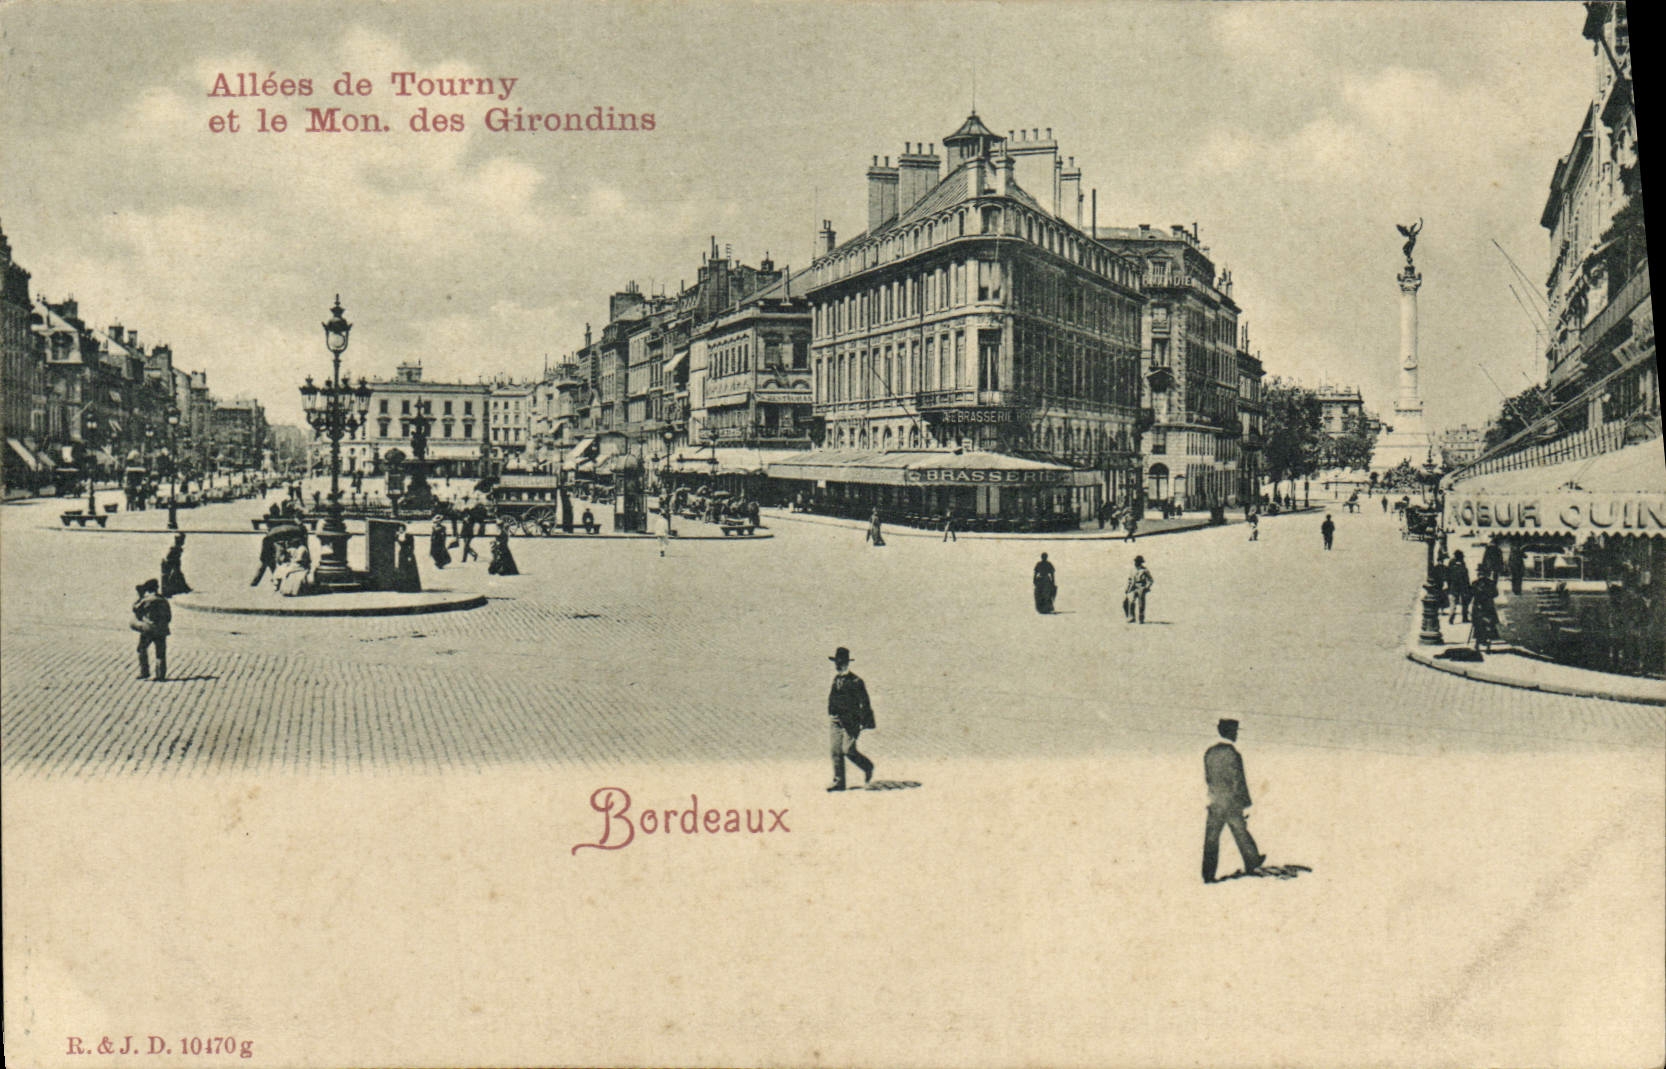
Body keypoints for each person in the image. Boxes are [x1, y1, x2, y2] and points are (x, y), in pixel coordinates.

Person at [1202, 718, 1265, 883]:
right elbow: (1239, 780)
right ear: (1229, 733)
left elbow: (1208, 778)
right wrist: (1245, 803)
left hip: (1215, 802)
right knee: (1241, 832)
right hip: (1231, 803)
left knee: (1211, 839)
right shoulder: (1233, 753)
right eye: (1235, 732)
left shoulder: (1209, 753)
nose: (1236, 734)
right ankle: (1252, 863)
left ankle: (1208, 874)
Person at [825, 646, 876, 791]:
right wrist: (831, 712)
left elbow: (865, 702)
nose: (837, 665)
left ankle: (867, 766)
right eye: (836, 662)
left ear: (846, 663)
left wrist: (864, 722)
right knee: (835, 750)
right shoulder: (836, 679)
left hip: (851, 721)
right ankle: (839, 782)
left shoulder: (856, 681)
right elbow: (833, 697)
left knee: (848, 750)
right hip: (835, 719)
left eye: (840, 662)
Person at [131, 578, 172, 682]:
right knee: (160, 653)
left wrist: (140, 597)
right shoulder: (163, 600)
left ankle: (144, 672)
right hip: (161, 630)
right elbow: (169, 617)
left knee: (141, 649)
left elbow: (135, 609)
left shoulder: (146, 600)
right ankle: (160, 675)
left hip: (148, 630)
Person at [251, 522, 305, 587]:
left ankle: (256, 582)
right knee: (267, 561)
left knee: (267, 562)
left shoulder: (294, 530)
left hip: (271, 538)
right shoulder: (298, 533)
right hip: (271, 539)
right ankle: (277, 579)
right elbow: (281, 553)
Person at [1471, 572, 1500, 651]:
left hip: (1478, 607)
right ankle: (1488, 644)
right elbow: (1496, 594)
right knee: (1489, 625)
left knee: (1478, 625)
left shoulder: (1475, 583)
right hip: (1488, 607)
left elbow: (1471, 593)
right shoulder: (1491, 583)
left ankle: (1477, 644)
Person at [159, 532, 192, 596]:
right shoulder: (175, 549)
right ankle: (169, 591)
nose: (183, 542)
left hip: (172, 564)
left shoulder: (176, 548)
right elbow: (170, 559)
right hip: (170, 565)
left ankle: (173, 590)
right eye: (182, 540)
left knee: (175, 576)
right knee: (171, 577)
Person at [1124, 555, 1154, 623]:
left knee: (1141, 603)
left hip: (1141, 587)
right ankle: (1132, 617)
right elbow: (1130, 580)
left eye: (1137, 562)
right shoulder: (1132, 570)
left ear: (1140, 562)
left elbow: (1151, 580)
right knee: (1131, 602)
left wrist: (1146, 587)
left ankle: (1141, 618)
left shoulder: (1145, 570)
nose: (1135, 563)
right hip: (1133, 587)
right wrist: (1127, 588)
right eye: (1135, 561)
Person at [1445, 550, 1472, 624]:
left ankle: (1451, 618)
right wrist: (1468, 587)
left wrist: (1449, 585)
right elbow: (1466, 579)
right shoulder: (1463, 568)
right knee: (1464, 603)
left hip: (1453, 587)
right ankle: (1465, 617)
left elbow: (1448, 577)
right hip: (1463, 587)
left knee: (1453, 604)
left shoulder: (1451, 566)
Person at [394, 528, 422, 592]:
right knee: (402, 570)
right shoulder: (397, 536)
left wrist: (410, 555)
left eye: (401, 529)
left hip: (408, 553)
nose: (400, 530)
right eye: (399, 529)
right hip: (401, 554)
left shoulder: (409, 536)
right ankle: (402, 588)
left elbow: (412, 546)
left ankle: (411, 588)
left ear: (404, 529)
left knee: (410, 570)